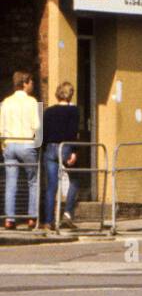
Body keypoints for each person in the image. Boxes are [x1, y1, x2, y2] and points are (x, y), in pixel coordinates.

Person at [1, 70, 41, 231]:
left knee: (11, 182)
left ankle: (9, 219)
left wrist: (3, 144)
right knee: (33, 181)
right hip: (26, 143)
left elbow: (1, 127)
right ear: (24, 83)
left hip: (9, 144)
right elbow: (37, 126)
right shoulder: (32, 102)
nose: (33, 85)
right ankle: (31, 217)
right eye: (31, 82)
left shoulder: (5, 102)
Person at [41, 81, 81, 231]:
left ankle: (48, 221)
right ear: (70, 95)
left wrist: (45, 149)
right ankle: (67, 215)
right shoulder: (74, 111)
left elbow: (43, 132)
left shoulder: (49, 111)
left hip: (50, 148)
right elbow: (74, 132)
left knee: (51, 186)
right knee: (75, 180)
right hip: (66, 147)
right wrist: (74, 152)